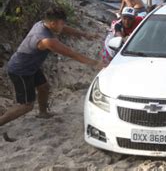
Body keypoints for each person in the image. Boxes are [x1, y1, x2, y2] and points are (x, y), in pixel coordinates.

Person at [0, 7, 104, 138]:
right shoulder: (46, 40)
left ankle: (43, 113)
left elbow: (64, 29)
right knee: (26, 106)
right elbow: (72, 54)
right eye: (61, 23)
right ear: (53, 23)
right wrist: (96, 63)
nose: (63, 26)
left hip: (31, 66)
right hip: (21, 70)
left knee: (44, 87)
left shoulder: (43, 23)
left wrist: (83, 34)